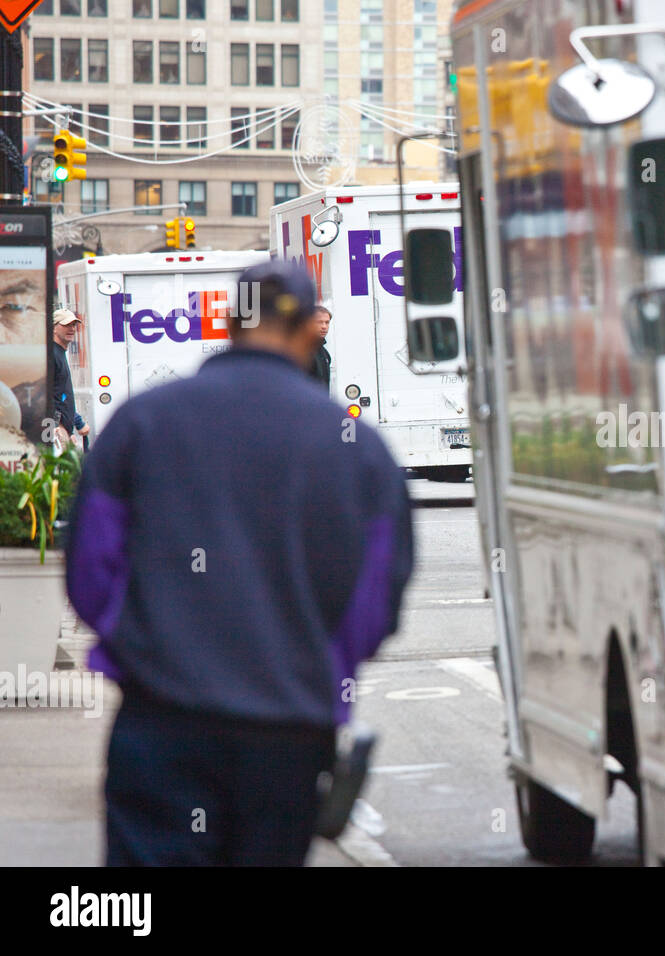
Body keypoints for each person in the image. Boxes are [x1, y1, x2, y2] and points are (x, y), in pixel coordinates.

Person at [64, 260, 414, 866]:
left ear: (227, 323)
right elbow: (376, 596)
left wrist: (143, 644)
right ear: (310, 330)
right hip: (288, 729)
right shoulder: (357, 449)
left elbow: (90, 569)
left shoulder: (143, 424)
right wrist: (319, 664)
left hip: (160, 716)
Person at [49, 308, 89, 450]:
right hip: (55, 429)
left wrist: (76, 423)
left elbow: (62, 396)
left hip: (62, 428)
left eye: (73, 325)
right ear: (53, 328)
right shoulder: (52, 355)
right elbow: (44, 396)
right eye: (66, 325)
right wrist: (55, 426)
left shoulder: (59, 353)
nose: (71, 329)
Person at [307, 305, 331, 389]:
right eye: (319, 322)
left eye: (327, 322)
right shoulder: (303, 352)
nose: (324, 327)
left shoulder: (325, 354)